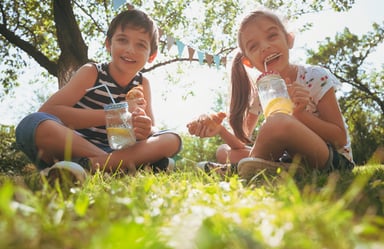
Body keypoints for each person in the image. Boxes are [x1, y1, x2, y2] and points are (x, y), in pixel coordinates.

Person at [15, 9, 182, 184]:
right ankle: (118, 166)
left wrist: (146, 130)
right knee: (32, 124)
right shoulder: (92, 72)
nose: (130, 49)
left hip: (121, 150)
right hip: (73, 144)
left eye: (141, 45)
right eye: (122, 40)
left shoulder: (143, 83)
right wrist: (116, 114)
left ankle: (87, 167)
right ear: (109, 44)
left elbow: (151, 130)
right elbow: (50, 111)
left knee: (172, 139)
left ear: (152, 55)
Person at [187, 8, 354, 178]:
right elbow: (242, 142)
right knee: (224, 151)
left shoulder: (315, 77)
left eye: (272, 36)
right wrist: (220, 130)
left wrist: (301, 115)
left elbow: (339, 138)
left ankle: (236, 171)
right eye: (253, 46)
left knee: (278, 122)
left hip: (331, 160)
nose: (265, 47)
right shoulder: (263, 90)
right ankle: (282, 171)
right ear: (248, 61)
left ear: (289, 39)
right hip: (290, 159)